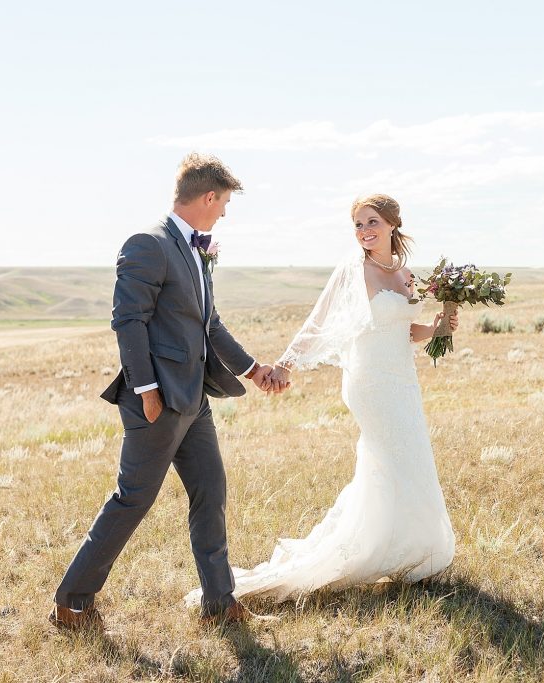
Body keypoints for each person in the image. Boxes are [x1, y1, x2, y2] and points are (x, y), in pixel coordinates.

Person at [184, 193, 457, 606]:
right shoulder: (354, 269)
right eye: (359, 225)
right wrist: (285, 365)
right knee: (390, 457)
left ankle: (412, 547)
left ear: (392, 224)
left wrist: (436, 329)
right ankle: (372, 549)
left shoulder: (404, 272)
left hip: (403, 380)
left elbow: (405, 330)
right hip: (370, 384)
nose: (365, 232)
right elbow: (319, 319)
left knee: (410, 456)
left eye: (372, 223)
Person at [50, 153, 285, 631]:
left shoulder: (197, 252)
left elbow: (208, 324)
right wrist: (147, 390)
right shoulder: (149, 244)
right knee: (133, 499)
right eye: (224, 204)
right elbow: (127, 321)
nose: (224, 214)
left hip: (194, 400)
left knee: (211, 492)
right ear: (208, 197)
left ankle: (220, 605)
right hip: (157, 402)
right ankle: (72, 603)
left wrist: (253, 369)